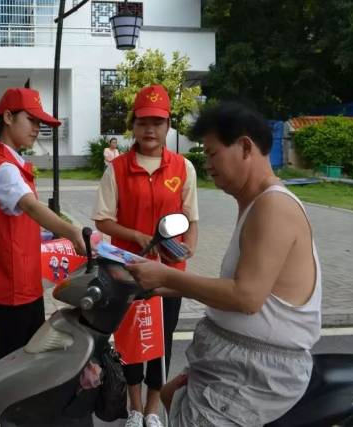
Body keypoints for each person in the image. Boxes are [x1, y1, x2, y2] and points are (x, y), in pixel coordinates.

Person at [126, 101, 321, 426]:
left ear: (245, 147)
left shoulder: (272, 207)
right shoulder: (256, 204)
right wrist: (167, 286)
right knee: (172, 392)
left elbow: (246, 297)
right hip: (233, 358)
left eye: (213, 154)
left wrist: (167, 276)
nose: (208, 165)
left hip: (256, 370)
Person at [93, 84, 199, 427]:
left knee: (160, 341)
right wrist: (137, 236)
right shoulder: (118, 168)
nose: (149, 129)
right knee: (130, 340)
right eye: (142, 122)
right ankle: (134, 408)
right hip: (128, 273)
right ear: (133, 126)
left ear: (169, 125)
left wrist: (190, 247)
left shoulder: (184, 168)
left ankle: (153, 410)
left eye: (157, 121)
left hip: (169, 276)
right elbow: (103, 218)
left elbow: (191, 218)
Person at [0, 87, 87, 364]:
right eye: (31, 120)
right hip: (14, 279)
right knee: (13, 357)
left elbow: (19, 217)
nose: (37, 129)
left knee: (25, 351)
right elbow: (31, 206)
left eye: (39, 123)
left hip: (23, 276)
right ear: (8, 117)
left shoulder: (9, 162)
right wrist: (72, 231)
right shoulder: (4, 167)